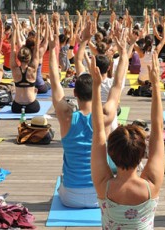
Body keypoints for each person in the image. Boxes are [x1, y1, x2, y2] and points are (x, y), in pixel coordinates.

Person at [48, 18, 127, 208]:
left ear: (74, 94)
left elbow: (55, 81)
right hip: (100, 195)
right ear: (96, 91)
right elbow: (117, 84)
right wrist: (123, 51)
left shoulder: (66, 116)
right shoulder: (106, 116)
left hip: (70, 198)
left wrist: (53, 49)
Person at [91, 47, 164, 228]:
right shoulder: (151, 185)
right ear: (142, 155)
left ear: (111, 152)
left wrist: (96, 86)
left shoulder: (103, 185)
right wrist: (155, 84)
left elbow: (99, 132)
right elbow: (157, 129)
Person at [10, 15, 41, 113]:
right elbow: (36, 49)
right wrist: (39, 29)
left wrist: (15, 29)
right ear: (29, 57)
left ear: (19, 57)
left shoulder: (14, 69)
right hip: (32, 106)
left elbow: (13, 49)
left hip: (16, 107)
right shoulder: (33, 69)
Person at [133, 14, 165, 85]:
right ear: (152, 43)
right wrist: (164, 24)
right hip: (153, 79)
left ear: (144, 42)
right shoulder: (155, 51)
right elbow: (163, 39)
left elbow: (132, 41)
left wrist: (129, 25)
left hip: (142, 79)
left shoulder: (140, 52)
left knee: (139, 79)